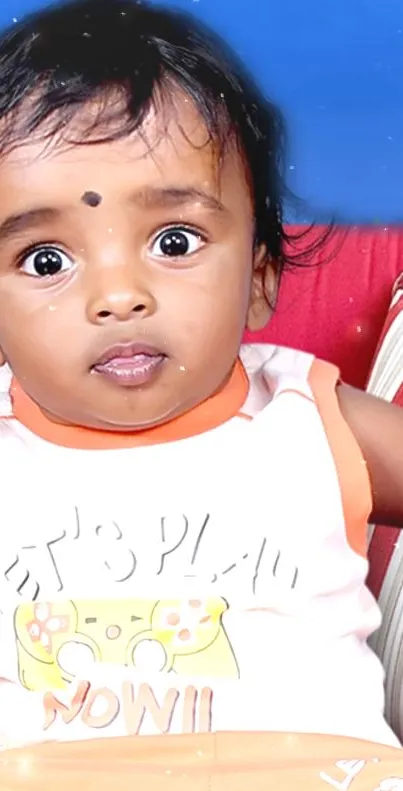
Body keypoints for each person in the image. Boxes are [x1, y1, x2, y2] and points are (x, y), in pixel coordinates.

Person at [0, 0, 401, 751]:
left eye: (174, 240)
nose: (118, 296)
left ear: (258, 275)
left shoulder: (309, 421)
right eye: (46, 259)